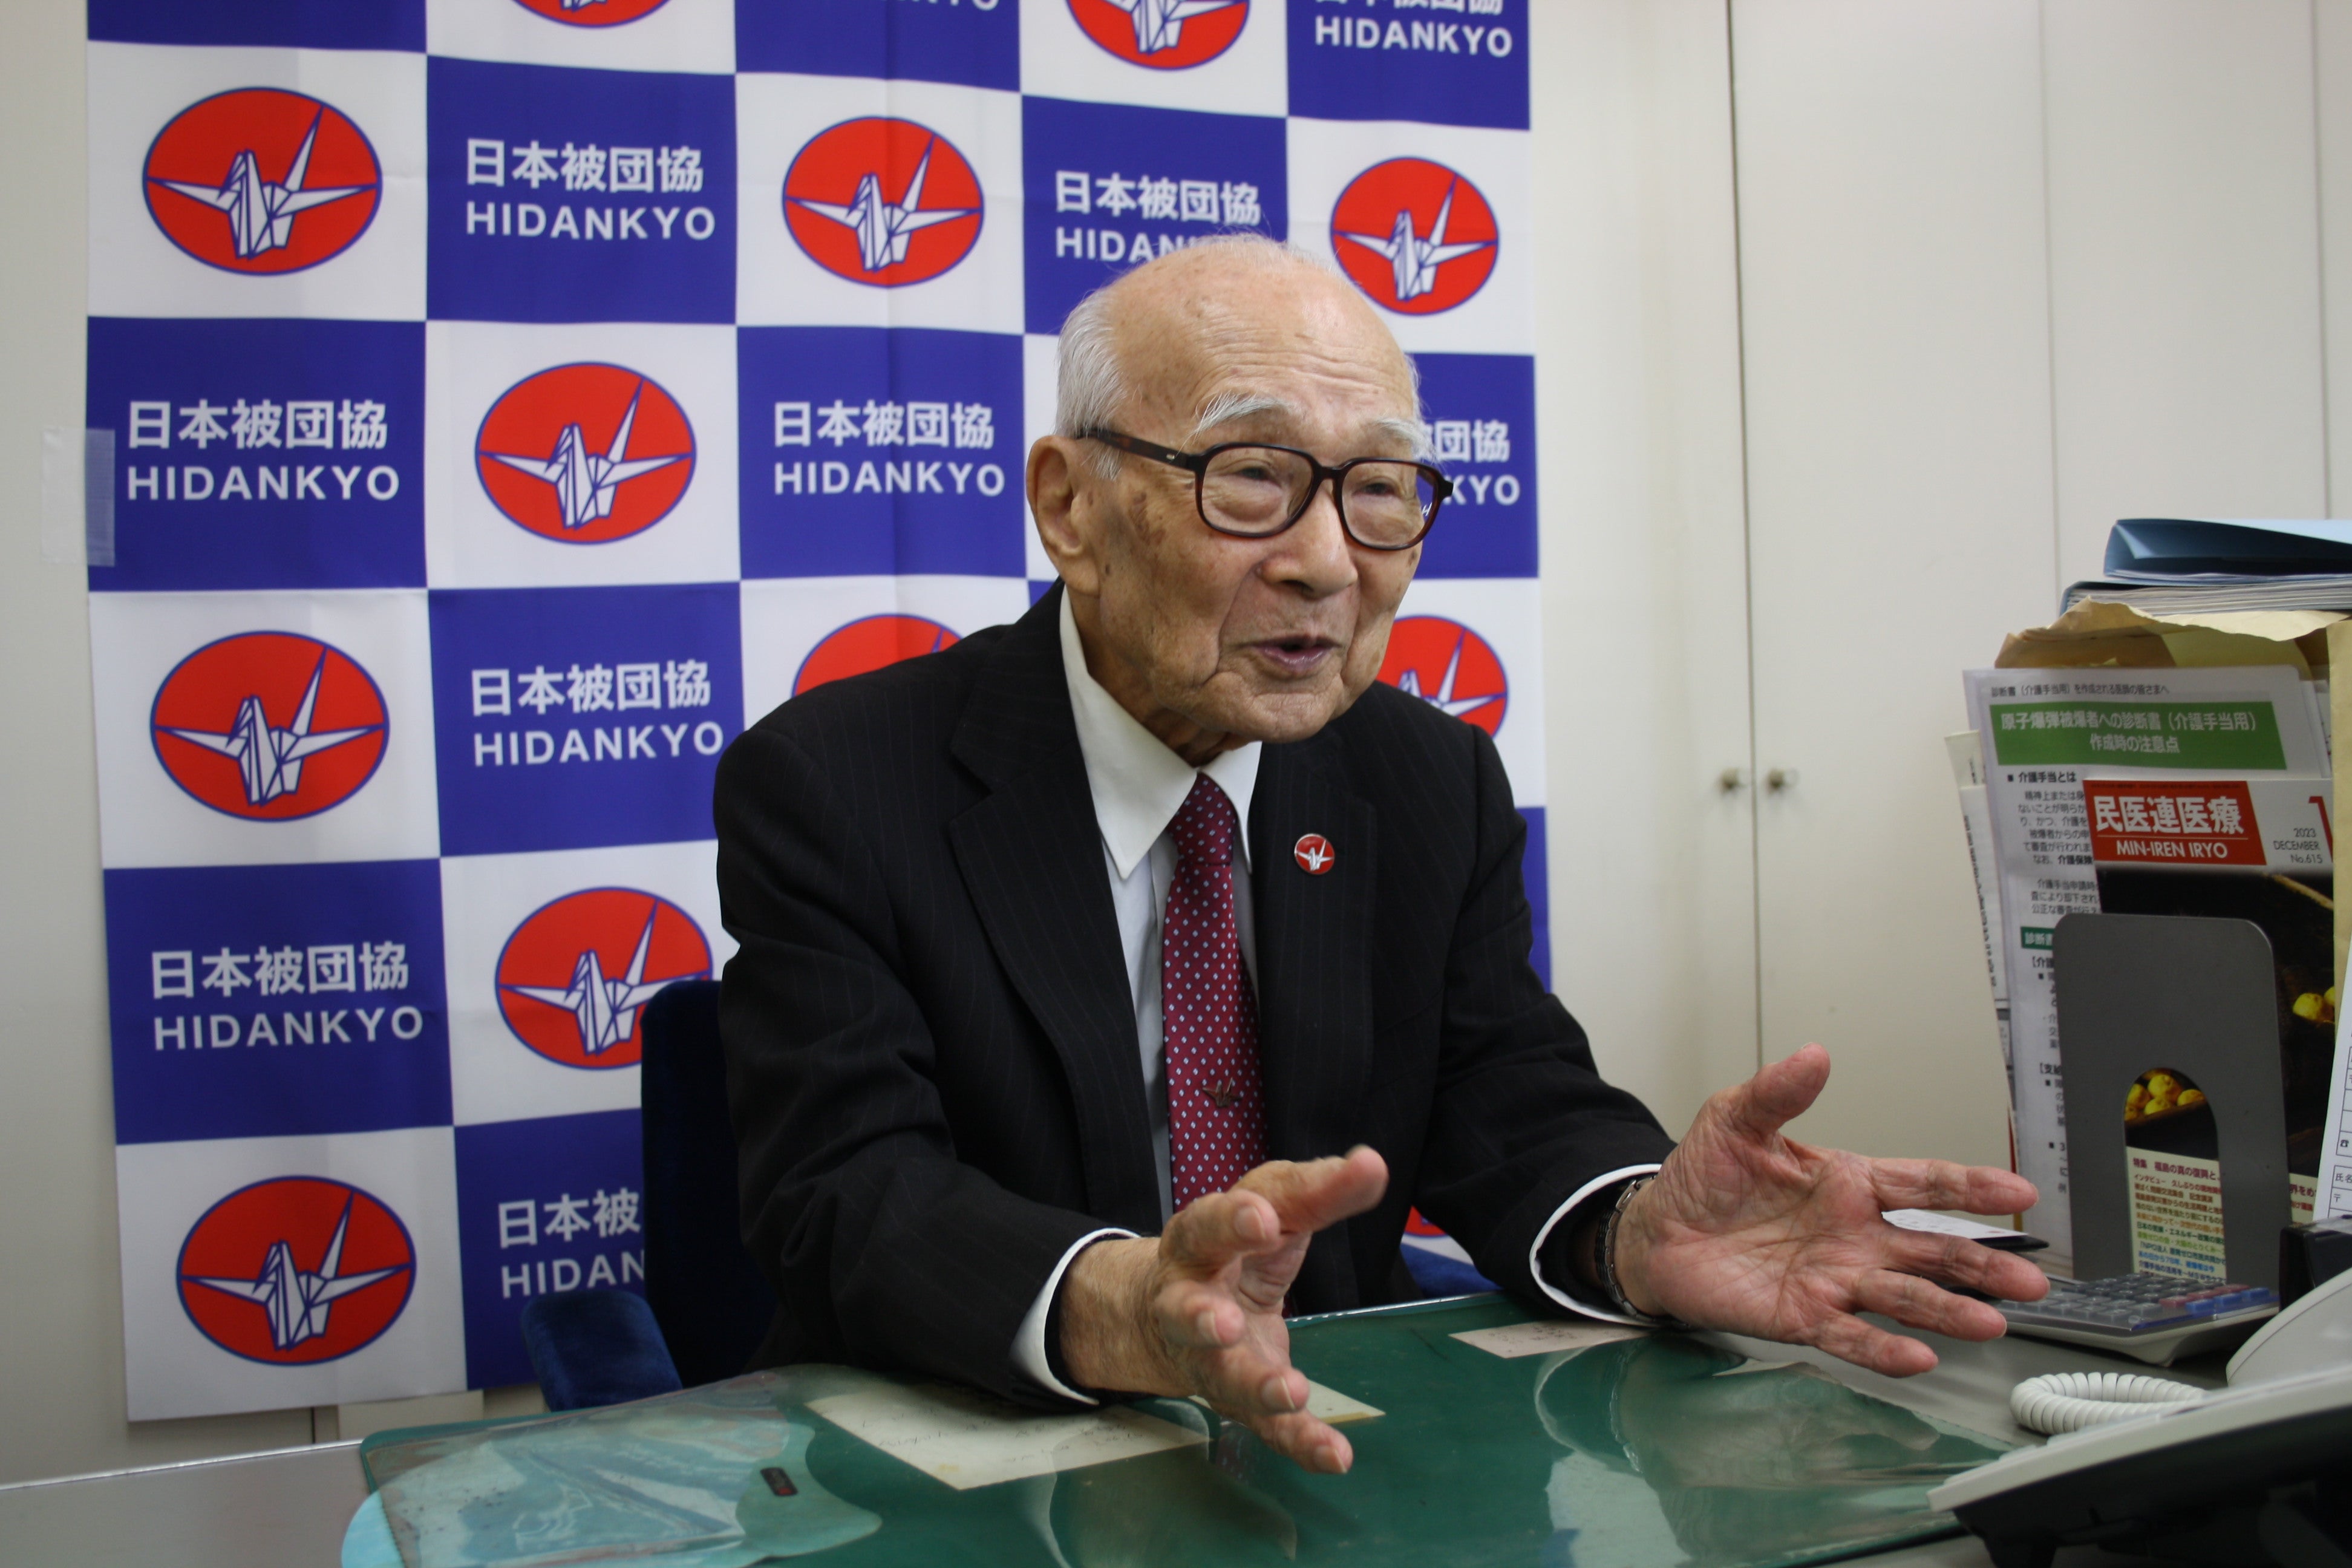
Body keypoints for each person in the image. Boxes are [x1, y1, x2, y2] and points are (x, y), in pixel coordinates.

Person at [715, 236, 2047, 1477]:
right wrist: (1125, 1306)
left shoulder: (1424, 778)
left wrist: (1637, 1230)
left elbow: (1502, 1088)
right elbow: (845, 1193)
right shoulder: (840, 784)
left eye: (1379, 492)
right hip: (971, 1457)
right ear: (1072, 507)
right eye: (1251, 478)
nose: (1325, 564)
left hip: (1338, 1451)